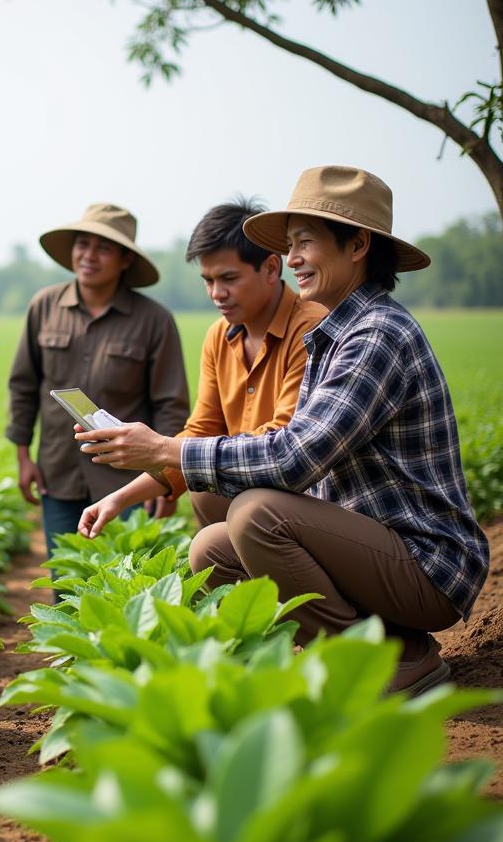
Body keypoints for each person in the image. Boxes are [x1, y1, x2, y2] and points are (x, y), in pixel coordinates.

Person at [77, 166, 490, 694]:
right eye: (290, 244)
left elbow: (295, 457)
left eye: (305, 243)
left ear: (358, 244)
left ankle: (390, 659)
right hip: (371, 542)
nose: (294, 258)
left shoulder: (375, 335)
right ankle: (360, 644)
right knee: (211, 551)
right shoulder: (336, 332)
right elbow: (241, 439)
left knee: (255, 512)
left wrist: (162, 448)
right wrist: (147, 473)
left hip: (427, 563)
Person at [85, 199, 325, 531]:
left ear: (271, 268)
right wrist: (121, 497)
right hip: (253, 498)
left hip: (309, 502)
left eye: (228, 278)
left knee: (228, 498)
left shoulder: (311, 329)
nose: (217, 293)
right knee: (205, 492)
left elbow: (282, 441)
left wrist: (162, 448)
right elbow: (202, 430)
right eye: (208, 280)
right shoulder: (218, 336)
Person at [7, 203, 190, 557]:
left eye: (103, 248)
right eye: (82, 244)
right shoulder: (43, 306)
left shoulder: (154, 320)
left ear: (124, 260)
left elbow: (170, 405)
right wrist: (22, 456)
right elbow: (22, 387)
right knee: (63, 581)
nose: (89, 256)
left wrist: (162, 479)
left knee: (121, 586)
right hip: (57, 472)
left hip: (128, 481)